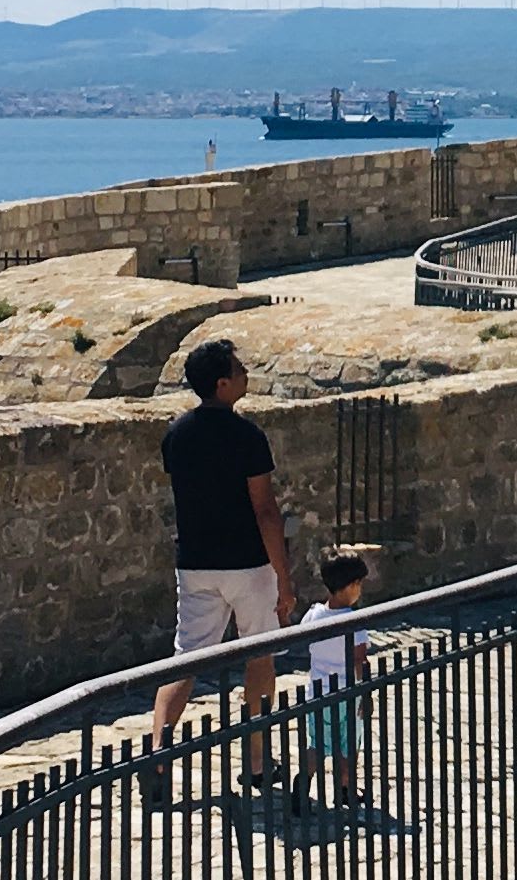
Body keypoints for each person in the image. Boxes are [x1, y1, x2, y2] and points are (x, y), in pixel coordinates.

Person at [149, 339, 296, 802]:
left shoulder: (177, 435)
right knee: (260, 656)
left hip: (196, 563)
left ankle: (156, 757)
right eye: (239, 368)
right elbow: (265, 511)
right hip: (248, 564)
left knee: (187, 659)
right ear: (222, 383)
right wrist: (284, 578)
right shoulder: (247, 437)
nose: (246, 372)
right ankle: (255, 761)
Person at [295, 553, 372, 811]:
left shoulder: (313, 615)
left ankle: (302, 783)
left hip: (318, 693)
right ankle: (345, 788)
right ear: (350, 586)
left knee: (317, 743)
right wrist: (366, 692)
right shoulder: (354, 623)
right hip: (347, 694)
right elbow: (359, 661)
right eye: (359, 584)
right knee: (348, 743)